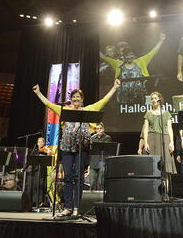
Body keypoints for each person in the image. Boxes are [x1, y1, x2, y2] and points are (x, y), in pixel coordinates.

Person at [32, 79, 120, 217]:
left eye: (78, 97)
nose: (75, 99)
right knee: (67, 177)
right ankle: (67, 207)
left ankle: (76, 208)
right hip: (67, 149)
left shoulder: (89, 109)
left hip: (82, 149)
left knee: (78, 177)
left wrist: (114, 87)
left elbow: (104, 100)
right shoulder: (65, 109)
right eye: (73, 97)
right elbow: (48, 104)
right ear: (71, 99)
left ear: (82, 99)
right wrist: (38, 93)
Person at [100, 33, 166, 104]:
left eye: (131, 55)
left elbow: (153, 51)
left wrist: (161, 40)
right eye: (127, 55)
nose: (129, 57)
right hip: (123, 96)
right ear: (124, 56)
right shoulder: (118, 63)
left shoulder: (141, 61)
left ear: (133, 55)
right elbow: (104, 57)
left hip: (139, 95)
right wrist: (93, 46)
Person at [143, 92, 177, 176]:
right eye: (152, 99)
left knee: (165, 164)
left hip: (164, 138)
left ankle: (166, 187)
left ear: (160, 99)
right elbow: (146, 129)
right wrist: (146, 143)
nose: (153, 100)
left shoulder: (166, 113)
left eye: (155, 98)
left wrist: (171, 142)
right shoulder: (148, 113)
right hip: (152, 139)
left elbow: (169, 128)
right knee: (153, 164)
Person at [26, 136, 54, 207]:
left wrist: (48, 151)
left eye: (42, 142)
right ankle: (30, 202)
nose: (40, 143)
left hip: (41, 171)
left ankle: (39, 202)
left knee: (40, 186)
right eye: (39, 142)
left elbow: (51, 154)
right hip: (34, 171)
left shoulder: (45, 150)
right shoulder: (35, 151)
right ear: (37, 143)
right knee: (32, 186)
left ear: (44, 143)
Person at [88, 122, 112, 191]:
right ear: (95, 130)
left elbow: (105, 149)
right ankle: (91, 200)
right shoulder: (92, 138)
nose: (99, 130)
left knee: (100, 182)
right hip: (93, 163)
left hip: (102, 162)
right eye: (97, 129)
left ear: (103, 129)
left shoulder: (107, 138)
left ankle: (100, 199)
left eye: (100, 128)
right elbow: (90, 151)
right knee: (92, 182)